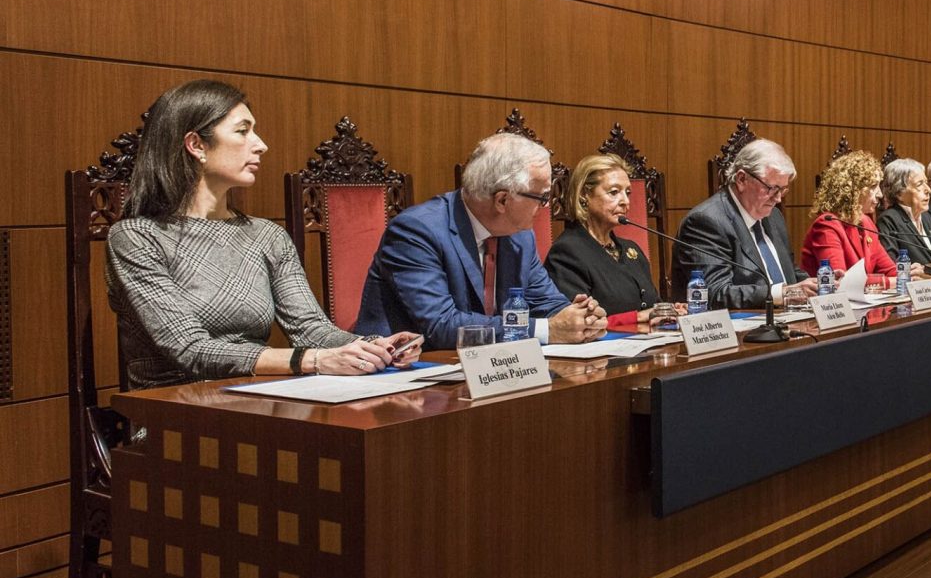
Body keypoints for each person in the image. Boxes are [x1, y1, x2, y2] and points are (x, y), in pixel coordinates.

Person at [106, 80, 420, 389]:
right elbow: (189, 349)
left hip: (255, 394)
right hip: (171, 406)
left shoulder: (267, 235)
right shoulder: (136, 237)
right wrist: (312, 360)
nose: (260, 145)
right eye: (243, 131)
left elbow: (311, 329)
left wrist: (374, 347)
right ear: (196, 144)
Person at [355, 132, 605, 349]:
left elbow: (545, 301)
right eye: (541, 197)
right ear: (502, 200)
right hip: (411, 369)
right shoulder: (417, 231)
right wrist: (546, 330)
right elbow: (441, 325)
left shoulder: (520, 236)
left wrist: (580, 318)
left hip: (494, 367)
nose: (546, 206)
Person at [545, 153, 682, 331]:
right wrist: (638, 317)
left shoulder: (631, 249)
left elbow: (653, 305)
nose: (625, 201)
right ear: (584, 195)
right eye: (614, 192)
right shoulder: (567, 252)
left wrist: (668, 312)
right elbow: (579, 323)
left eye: (628, 193)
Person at [677, 138, 817, 310]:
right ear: (742, 179)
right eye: (772, 188)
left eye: (782, 190)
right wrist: (781, 294)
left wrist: (820, 285)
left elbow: (790, 273)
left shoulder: (774, 217)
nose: (778, 198)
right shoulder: (706, 222)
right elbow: (715, 293)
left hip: (788, 318)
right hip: (740, 323)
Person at [801, 150, 916, 288]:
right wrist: (891, 282)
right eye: (873, 186)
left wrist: (910, 275)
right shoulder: (827, 225)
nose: (880, 194)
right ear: (853, 190)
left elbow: (890, 271)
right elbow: (841, 282)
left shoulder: (866, 223)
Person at [876, 158, 931, 269]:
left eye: (926, 183)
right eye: (919, 184)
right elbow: (891, 265)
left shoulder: (925, 217)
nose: (928, 190)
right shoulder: (888, 220)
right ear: (899, 193)